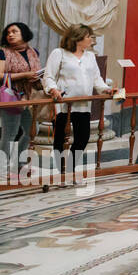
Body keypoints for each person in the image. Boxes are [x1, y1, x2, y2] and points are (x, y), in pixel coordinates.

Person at [42, 24, 113, 170]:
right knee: (60, 140)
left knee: (83, 138)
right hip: (63, 104)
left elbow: (96, 79)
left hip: (83, 104)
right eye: (88, 37)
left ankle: (70, 169)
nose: (91, 40)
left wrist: (107, 89)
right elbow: (48, 76)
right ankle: (61, 170)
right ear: (77, 38)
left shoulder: (90, 56)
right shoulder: (59, 53)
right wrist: (53, 89)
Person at [0, 22, 43, 178]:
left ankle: (19, 163)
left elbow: (35, 72)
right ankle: (1, 168)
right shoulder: (2, 53)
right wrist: (25, 75)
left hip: (30, 97)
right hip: (11, 96)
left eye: (15, 31)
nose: (10, 34)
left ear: (25, 33)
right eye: (8, 32)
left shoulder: (34, 52)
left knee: (31, 131)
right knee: (10, 132)